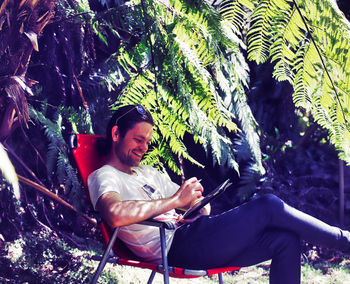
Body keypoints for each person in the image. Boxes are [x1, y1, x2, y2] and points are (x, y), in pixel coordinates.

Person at [88, 104, 350, 284]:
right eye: (137, 140)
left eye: (147, 141)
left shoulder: (147, 172)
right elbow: (114, 214)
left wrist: (198, 203)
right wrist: (175, 201)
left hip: (195, 237)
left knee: (285, 239)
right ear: (115, 134)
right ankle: (344, 241)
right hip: (176, 247)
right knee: (268, 205)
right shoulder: (105, 176)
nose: (144, 147)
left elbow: (195, 205)